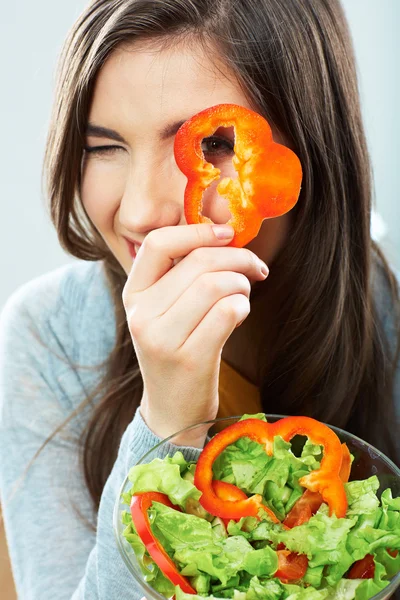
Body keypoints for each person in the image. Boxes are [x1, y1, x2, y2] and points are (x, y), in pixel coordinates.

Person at [0, 0, 399, 598]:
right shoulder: (47, 335)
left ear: (312, 149)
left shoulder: (384, 310)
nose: (139, 212)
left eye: (212, 145)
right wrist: (169, 422)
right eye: (104, 147)